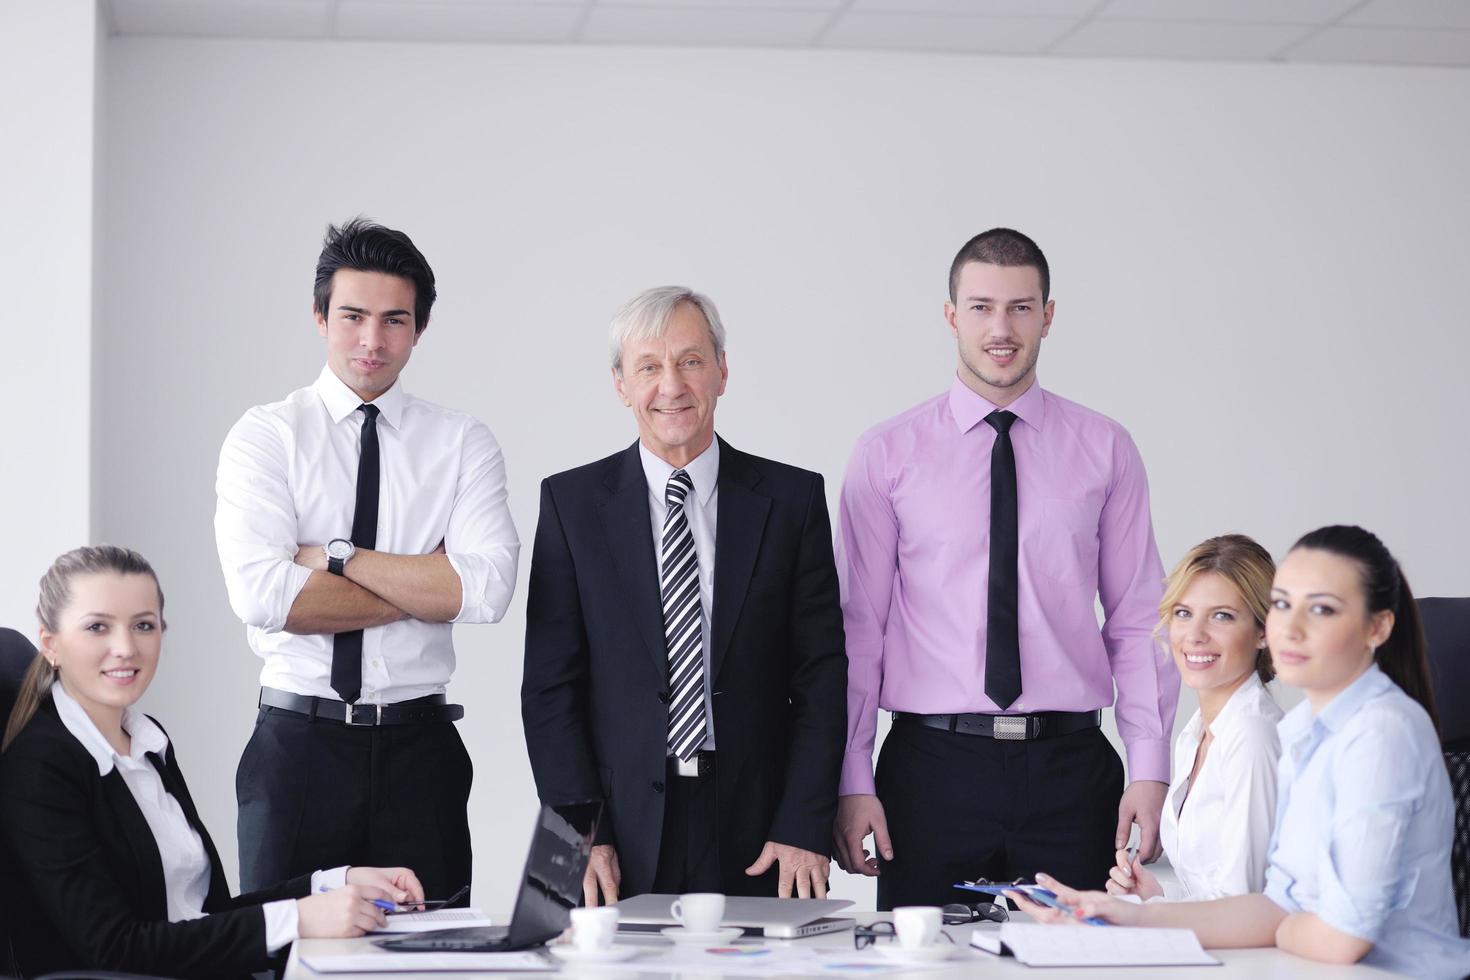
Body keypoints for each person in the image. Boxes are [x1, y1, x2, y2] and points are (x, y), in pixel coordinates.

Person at [833, 227, 1178, 908]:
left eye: (1021, 307)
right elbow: (858, 630)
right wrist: (853, 777)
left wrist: (1151, 768)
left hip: (1071, 770)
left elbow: (1139, 618)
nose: (1001, 327)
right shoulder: (885, 455)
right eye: (983, 306)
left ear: (1048, 315)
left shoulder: (1106, 448)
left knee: (1084, 965)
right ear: (951, 315)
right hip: (930, 771)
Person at [215, 218, 519, 899]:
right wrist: (426, 579)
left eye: (394, 320)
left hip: (422, 750)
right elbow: (266, 596)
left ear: (419, 329)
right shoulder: (266, 436)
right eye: (352, 316)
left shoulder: (461, 442)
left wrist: (336, 559)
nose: (371, 341)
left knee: (432, 960)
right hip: (299, 744)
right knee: (285, 956)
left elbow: (489, 589)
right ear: (320, 317)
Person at [1015, 526, 1470, 978]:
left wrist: (1279, 924)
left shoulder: (1382, 735)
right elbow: (1276, 907)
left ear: (1378, 627)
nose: (1290, 628)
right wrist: (1122, 913)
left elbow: (1341, 938)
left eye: (1322, 610)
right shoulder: (1305, 733)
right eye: (1283, 605)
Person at [521, 286, 847, 904]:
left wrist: (805, 824)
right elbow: (548, 688)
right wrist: (577, 832)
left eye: (690, 361)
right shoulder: (569, 504)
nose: (671, 386)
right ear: (620, 384)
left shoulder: (793, 500)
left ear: (722, 371)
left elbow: (821, 677)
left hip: (763, 831)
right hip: (603, 830)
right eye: (649, 367)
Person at [0, 546, 423, 979]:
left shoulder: (146, 739)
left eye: (143, 625)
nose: (125, 647)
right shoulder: (39, 765)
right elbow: (115, 948)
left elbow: (205, 914)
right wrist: (300, 919)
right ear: (51, 644)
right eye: (97, 627)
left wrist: (334, 883)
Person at [1090, 535, 1283, 901]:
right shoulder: (1195, 736)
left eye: (1222, 616)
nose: (1195, 635)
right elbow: (1211, 890)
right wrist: (1155, 896)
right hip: (1211, 948)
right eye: (1183, 613)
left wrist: (1148, 913)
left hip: (1248, 955)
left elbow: (1241, 906)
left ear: (1263, 631)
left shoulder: (1252, 736)